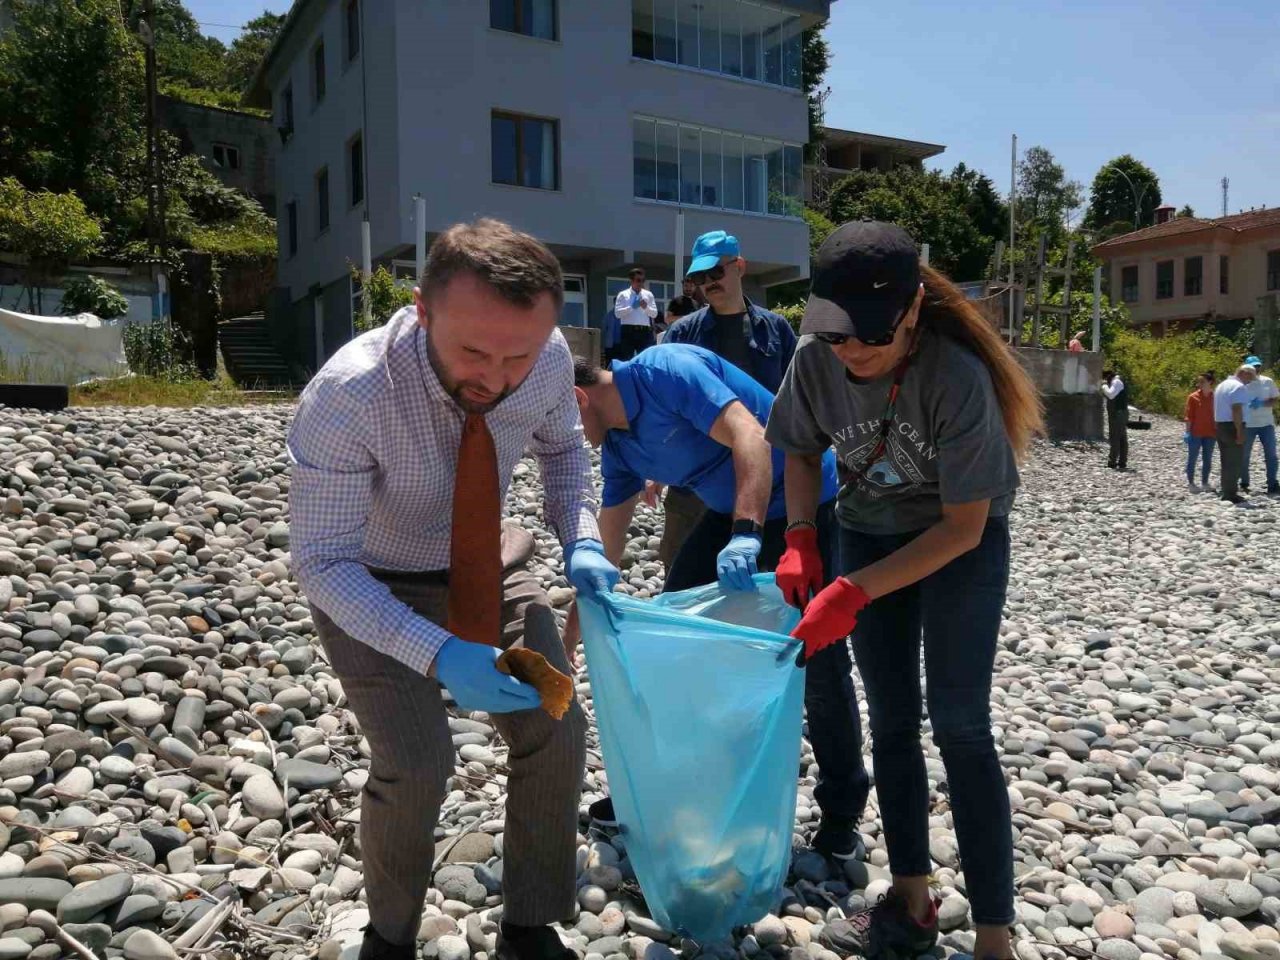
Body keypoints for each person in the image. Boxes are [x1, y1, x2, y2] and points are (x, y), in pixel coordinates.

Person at [288, 219, 621, 960]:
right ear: (422, 308)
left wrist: (585, 542)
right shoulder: (351, 393)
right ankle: (390, 937)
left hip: (487, 565)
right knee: (417, 762)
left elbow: (564, 451)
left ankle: (531, 928)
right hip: (370, 584)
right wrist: (437, 653)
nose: (498, 376)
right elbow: (322, 562)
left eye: (518, 355)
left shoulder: (541, 359)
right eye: (474, 351)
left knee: (557, 726)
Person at [766, 221, 1043, 960]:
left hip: (960, 548)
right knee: (890, 722)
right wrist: (798, 534)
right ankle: (912, 900)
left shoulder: (956, 379)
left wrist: (852, 590)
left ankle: (993, 937)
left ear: (914, 311)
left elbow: (961, 529)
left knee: (960, 727)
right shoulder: (815, 359)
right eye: (836, 335)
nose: (851, 352)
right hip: (867, 532)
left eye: (870, 338)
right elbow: (796, 443)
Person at [574, 344, 871, 859]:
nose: (562, 440)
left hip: (806, 503)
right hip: (731, 510)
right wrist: (569, 640)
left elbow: (749, 435)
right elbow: (607, 548)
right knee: (669, 643)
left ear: (578, 400)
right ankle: (656, 795)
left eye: (555, 424)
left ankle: (841, 813)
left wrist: (746, 534)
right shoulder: (619, 448)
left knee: (816, 659)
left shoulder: (667, 371)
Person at [654, 230, 800, 571]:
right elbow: (660, 404)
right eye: (701, 277)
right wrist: (657, 467)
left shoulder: (775, 330)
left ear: (740, 267)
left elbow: (797, 402)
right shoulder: (681, 333)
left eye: (716, 272)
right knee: (681, 584)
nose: (709, 283)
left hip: (765, 483)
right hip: (695, 484)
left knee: (758, 584)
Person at [1214, 365, 1254, 503]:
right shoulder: (1238, 387)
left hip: (1220, 426)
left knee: (1225, 460)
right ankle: (1230, 494)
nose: (1250, 382)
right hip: (1232, 426)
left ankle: (1226, 490)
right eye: (1250, 377)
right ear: (1243, 373)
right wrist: (1240, 431)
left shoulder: (1222, 385)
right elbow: (1236, 410)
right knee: (1234, 461)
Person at [1240, 355, 1279, 495]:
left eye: (1257, 366)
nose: (1256, 369)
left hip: (1266, 423)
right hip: (1248, 424)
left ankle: (1272, 483)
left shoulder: (1267, 381)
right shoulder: (1241, 384)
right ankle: (1244, 482)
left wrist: (1263, 403)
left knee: (1271, 455)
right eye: (1253, 367)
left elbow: (1275, 399)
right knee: (1244, 455)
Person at [612, 267, 658, 361]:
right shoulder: (623, 294)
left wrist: (646, 307)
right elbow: (617, 314)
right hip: (628, 330)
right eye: (638, 280)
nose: (641, 283)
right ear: (631, 280)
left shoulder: (648, 295)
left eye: (643, 280)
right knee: (627, 358)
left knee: (645, 359)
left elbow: (654, 314)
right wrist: (632, 307)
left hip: (644, 331)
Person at [1183, 372, 1217, 492]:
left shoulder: (1216, 397)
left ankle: (1205, 482)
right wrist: (1187, 432)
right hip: (1195, 433)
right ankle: (1191, 483)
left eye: (1202, 381)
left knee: (1207, 458)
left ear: (1210, 382)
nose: (1199, 384)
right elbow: (1189, 416)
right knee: (1192, 458)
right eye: (1199, 382)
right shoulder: (1193, 397)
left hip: (1211, 433)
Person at [1100, 369, 1128, 470]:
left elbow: (1111, 395)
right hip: (1120, 413)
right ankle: (1122, 462)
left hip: (1117, 414)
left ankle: (1112, 462)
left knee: (1115, 437)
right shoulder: (1118, 381)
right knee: (1122, 438)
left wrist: (1103, 386)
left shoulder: (1116, 382)